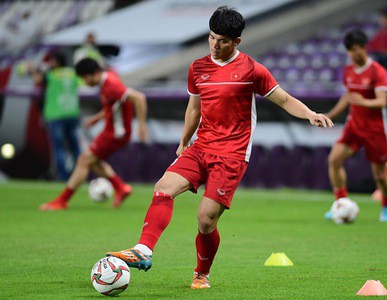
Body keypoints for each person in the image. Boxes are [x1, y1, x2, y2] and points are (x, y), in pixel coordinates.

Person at [106, 6, 333, 290]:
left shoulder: (252, 70)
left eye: (222, 40)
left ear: (237, 41)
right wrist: (183, 141)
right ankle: (143, 250)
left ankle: (201, 274)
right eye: (212, 37)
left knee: (205, 220)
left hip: (232, 154)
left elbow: (285, 100)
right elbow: (194, 108)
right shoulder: (197, 67)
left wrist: (310, 113)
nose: (215, 44)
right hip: (201, 146)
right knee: (163, 187)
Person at [39, 58, 149, 211]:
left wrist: (142, 126)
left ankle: (62, 201)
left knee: (84, 160)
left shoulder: (111, 85)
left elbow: (139, 98)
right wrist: (97, 118)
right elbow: (114, 104)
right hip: (112, 131)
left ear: (95, 74)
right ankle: (121, 188)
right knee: (91, 161)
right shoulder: (108, 78)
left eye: (85, 78)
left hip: (116, 134)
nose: (84, 82)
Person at [323, 29, 387, 222]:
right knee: (334, 160)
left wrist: (363, 102)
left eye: (355, 49)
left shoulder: (377, 71)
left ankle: (386, 205)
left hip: (375, 129)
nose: (353, 54)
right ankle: (340, 204)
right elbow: (348, 96)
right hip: (354, 126)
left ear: (364, 47)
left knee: (379, 176)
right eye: (349, 51)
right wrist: (330, 115)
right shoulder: (348, 71)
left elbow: (382, 102)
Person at [29, 52, 81, 180]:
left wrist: (32, 69)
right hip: (72, 113)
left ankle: (63, 178)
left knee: (59, 148)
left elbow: (38, 80)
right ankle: (81, 176)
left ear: (56, 62)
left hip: (56, 115)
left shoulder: (51, 75)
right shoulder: (72, 73)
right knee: (75, 147)